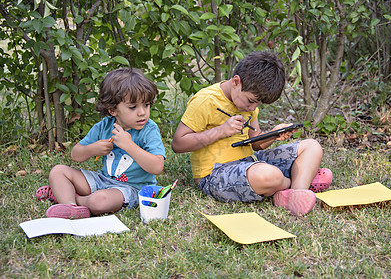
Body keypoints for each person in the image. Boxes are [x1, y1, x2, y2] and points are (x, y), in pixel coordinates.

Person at [171, 51, 332, 216]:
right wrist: (220, 131)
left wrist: (274, 134)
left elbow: (255, 144)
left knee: (312, 146)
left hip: (250, 163)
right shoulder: (206, 101)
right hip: (214, 175)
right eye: (250, 101)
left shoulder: (249, 105)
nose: (253, 108)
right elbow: (178, 144)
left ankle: (296, 194)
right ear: (236, 82)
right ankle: (299, 181)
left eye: (258, 104)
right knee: (269, 175)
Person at [36, 68, 166, 219]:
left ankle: (71, 199)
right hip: (101, 180)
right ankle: (70, 206)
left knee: (99, 201)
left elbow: (157, 167)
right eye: (133, 107)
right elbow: (75, 154)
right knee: (58, 171)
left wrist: (129, 145)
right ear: (112, 110)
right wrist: (93, 149)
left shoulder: (149, 130)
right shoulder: (104, 126)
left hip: (132, 188)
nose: (142, 112)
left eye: (147, 105)